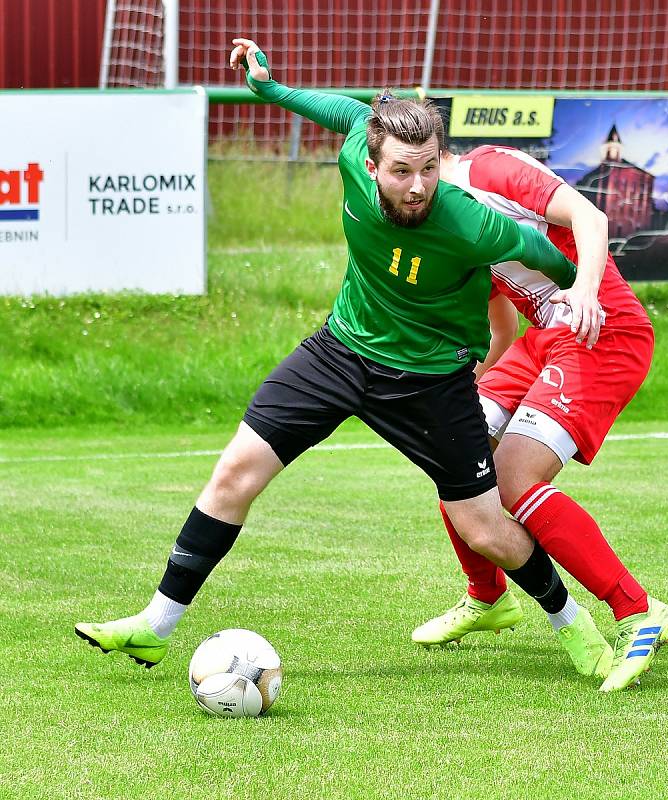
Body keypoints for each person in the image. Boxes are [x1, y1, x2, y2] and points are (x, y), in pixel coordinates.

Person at [75, 38, 604, 685]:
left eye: (429, 170)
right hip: (342, 350)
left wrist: (582, 293)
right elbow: (331, 108)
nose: (417, 187)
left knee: (484, 525)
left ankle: (569, 620)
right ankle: (154, 626)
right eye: (402, 171)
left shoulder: (474, 224)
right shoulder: (356, 144)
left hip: (430, 378)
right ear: (371, 161)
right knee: (236, 470)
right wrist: (268, 88)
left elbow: (552, 256)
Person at [411, 145, 668, 692]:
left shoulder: (487, 173)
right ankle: (487, 597)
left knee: (512, 479)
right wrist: (462, 381)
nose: (406, 187)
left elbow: (592, 216)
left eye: (413, 168)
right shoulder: (443, 226)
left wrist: (583, 288)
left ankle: (636, 611)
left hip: (603, 336)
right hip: (540, 343)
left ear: (432, 157)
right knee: (457, 449)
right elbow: (503, 331)